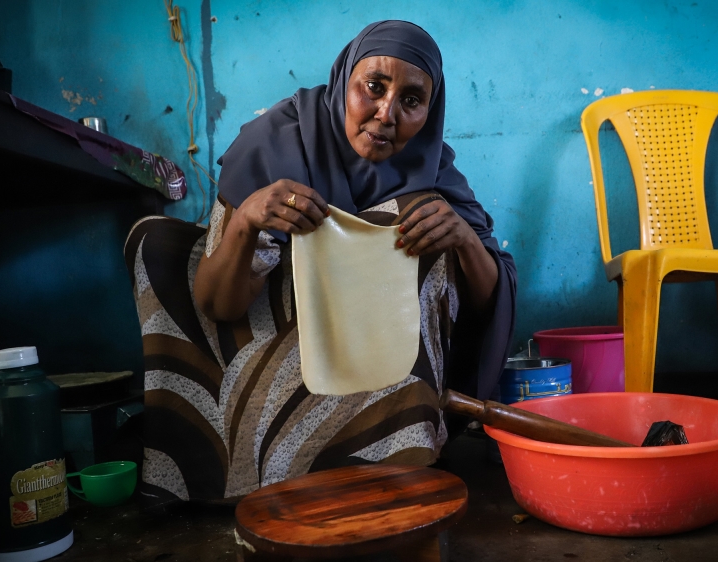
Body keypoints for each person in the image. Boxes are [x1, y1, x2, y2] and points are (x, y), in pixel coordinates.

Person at [190, 20, 516, 494]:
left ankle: (401, 452)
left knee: (424, 222)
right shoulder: (274, 145)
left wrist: (464, 240)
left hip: (389, 391)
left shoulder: (433, 170)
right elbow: (219, 306)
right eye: (374, 87)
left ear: (430, 110)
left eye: (411, 100)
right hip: (281, 380)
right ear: (345, 80)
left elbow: (487, 303)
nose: (386, 114)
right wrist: (246, 220)